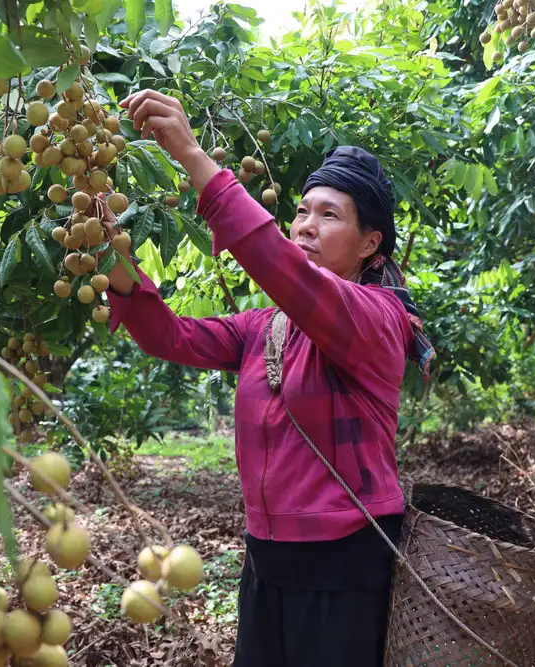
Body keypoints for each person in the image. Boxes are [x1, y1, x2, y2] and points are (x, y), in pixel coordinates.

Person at [99, 89, 435, 667]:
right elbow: (170, 338)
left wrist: (191, 155)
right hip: (267, 561)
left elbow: (276, 265)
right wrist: (113, 255)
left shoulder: (379, 321)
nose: (305, 226)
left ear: (370, 243)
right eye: (301, 211)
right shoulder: (267, 328)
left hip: (345, 569)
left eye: (329, 215)